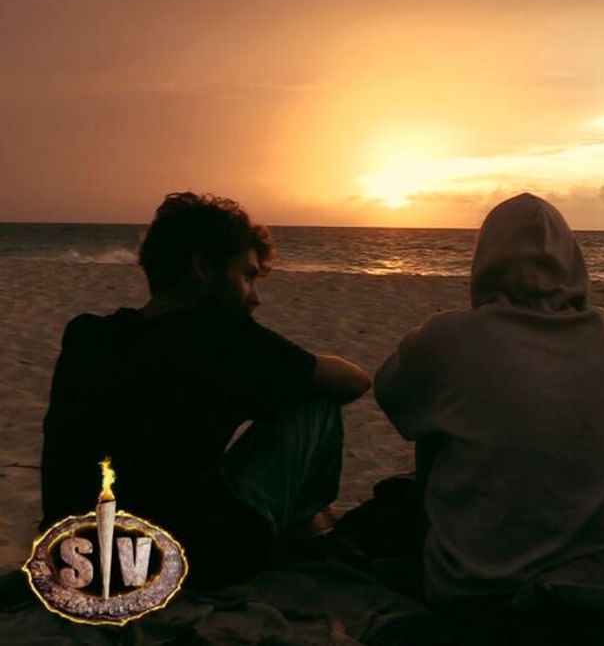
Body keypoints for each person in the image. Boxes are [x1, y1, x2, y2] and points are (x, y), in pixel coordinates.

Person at [40, 192, 371, 586]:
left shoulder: (86, 335)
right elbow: (355, 381)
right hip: (182, 561)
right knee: (316, 401)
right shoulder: (223, 338)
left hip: (73, 560)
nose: (256, 297)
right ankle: (305, 527)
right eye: (247, 276)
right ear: (202, 268)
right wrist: (284, 370)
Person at [374, 193, 604, 603]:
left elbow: (392, 396)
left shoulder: (451, 335)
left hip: (475, 580)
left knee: (435, 419)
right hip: (599, 567)